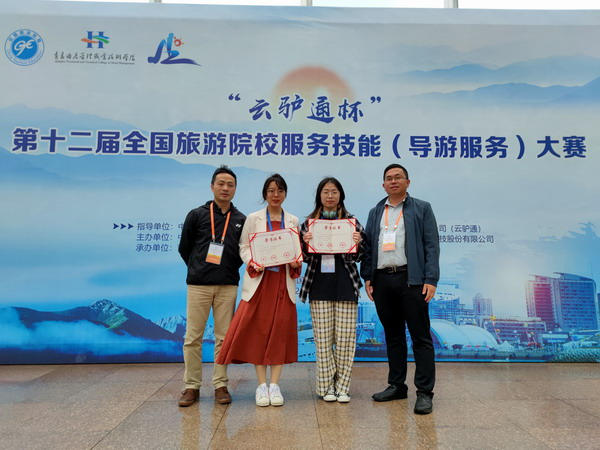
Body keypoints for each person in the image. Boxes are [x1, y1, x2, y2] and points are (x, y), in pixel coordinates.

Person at [360, 164, 440, 415]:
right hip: (383, 280)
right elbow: (368, 246)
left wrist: (431, 279)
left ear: (408, 182)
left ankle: (424, 392)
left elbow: (431, 245)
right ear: (383, 184)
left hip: (411, 280)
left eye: (398, 177)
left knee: (420, 337)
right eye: (388, 178)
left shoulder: (422, 208)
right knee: (393, 336)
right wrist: (368, 277)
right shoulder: (376, 211)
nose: (393, 181)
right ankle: (396, 385)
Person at [217, 174, 302, 407]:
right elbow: (244, 246)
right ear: (265, 193)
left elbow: (297, 250)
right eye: (271, 190)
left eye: (280, 190)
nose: (276, 195)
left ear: (285, 194)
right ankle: (261, 385)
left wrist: (297, 261)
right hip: (260, 284)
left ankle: (275, 385)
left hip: (282, 284)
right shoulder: (254, 218)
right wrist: (252, 261)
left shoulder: (293, 220)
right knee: (259, 333)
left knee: (279, 333)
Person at [177, 165, 246, 407]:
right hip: (198, 285)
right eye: (221, 183)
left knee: (223, 338)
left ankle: (220, 384)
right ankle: (191, 386)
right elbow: (185, 248)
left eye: (230, 185)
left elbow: (242, 253)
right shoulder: (196, 215)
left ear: (235, 189)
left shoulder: (241, 220)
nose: (225, 188)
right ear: (212, 186)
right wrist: (198, 268)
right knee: (192, 338)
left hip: (227, 285)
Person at [299, 177, 366, 403]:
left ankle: (343, 387)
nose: (330, 196)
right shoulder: (309, 224)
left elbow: (360, 255)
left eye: (334, 191)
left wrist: (357, 242)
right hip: (318, 286)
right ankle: (326, 386)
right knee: (323, 340)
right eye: (326, 191)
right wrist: (305, 242)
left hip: (346, 285)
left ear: (341, 195)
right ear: (319, 196)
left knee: (346, 340)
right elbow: (302, 257)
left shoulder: (352, 222)